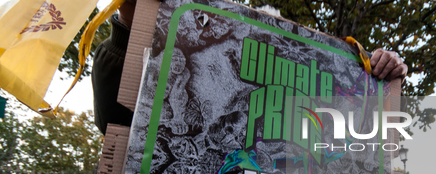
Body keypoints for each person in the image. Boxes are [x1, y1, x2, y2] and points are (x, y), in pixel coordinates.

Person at [92, 0, 409, 135]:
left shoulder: (283, 117)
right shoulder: (165, 79)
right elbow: (116, 118)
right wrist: (135, 16)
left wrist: (376, 74)